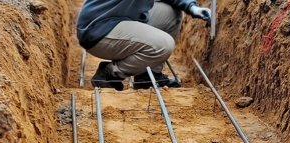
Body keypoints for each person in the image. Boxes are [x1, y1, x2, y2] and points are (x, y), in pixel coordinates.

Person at [76, 0, 211, 90]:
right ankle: (110, 73)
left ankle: (148, 76)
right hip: (98, 30)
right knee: (163, 45)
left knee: (171, 13)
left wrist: (192, 7)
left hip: (122, 17)